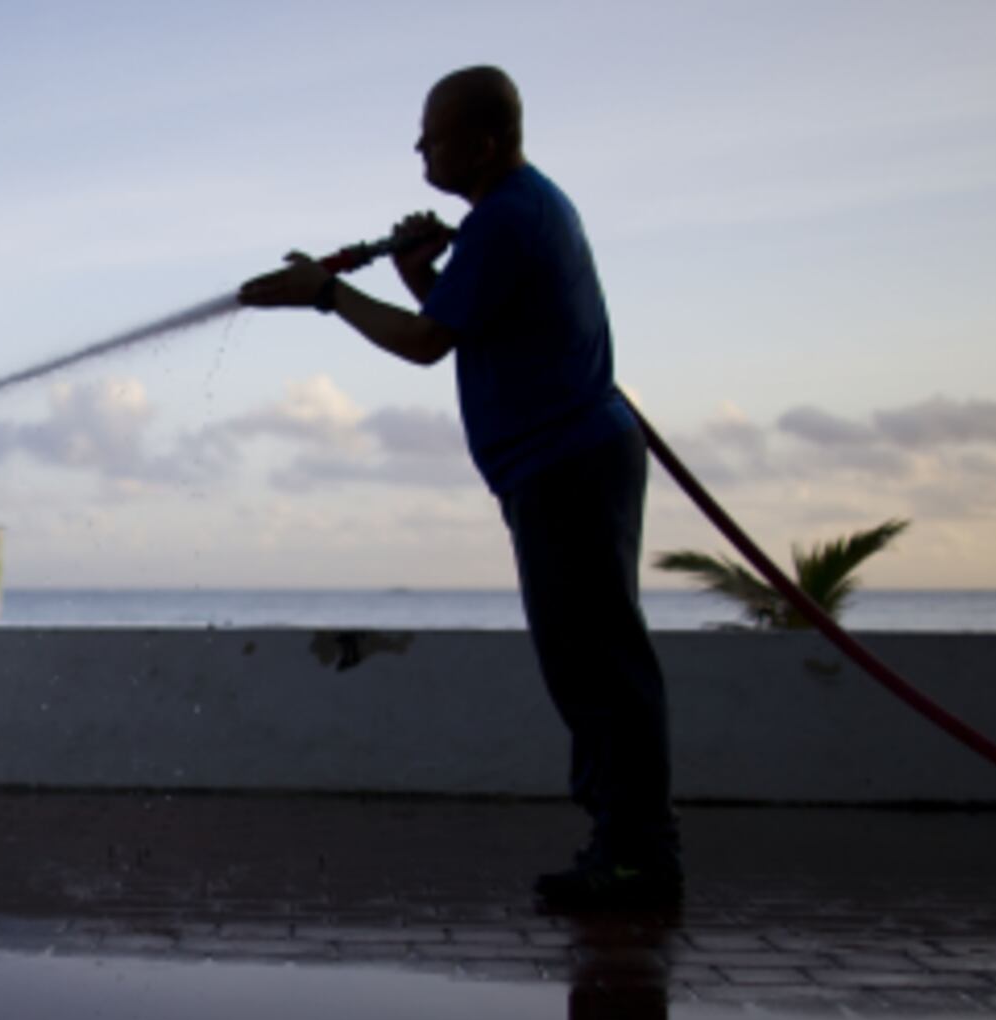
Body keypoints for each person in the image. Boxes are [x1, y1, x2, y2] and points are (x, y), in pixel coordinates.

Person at [238, 65, 681, 909]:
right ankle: (623, 848)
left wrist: (328, 294)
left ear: (481, 144)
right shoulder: (509, 215)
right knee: (589, 663)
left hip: (567, 467)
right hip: (564, 465)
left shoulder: (509, 217)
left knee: (598, 667)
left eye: (432, 136)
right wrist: (414, 268)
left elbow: (424, 343)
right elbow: (461, 319)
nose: (418, 149)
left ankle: (638, 859)